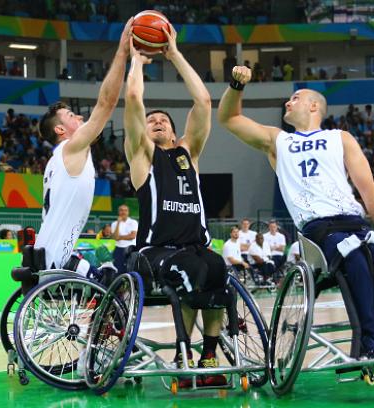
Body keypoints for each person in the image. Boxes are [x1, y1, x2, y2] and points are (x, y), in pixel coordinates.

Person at [218, 66, 374, 358]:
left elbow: (368, 187)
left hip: (353, 221)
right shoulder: (278, 140)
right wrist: (236, 85)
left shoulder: (340, 138)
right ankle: (368, 341)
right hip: (318, 229)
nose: (287, 102)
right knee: (354, 258)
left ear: (314, 105)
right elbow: (228, 118)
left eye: (295, 98)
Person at [124, 23, 227, 387]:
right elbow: (134, 101)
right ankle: (183, 357)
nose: (155, 122)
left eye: (162, 120)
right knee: (191, 276)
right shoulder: (141, 154)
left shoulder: (189, 152)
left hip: (197, 247)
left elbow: (203, 102)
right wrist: (136, 61)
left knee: (218, 272)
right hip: (156, 252)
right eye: (151, 120)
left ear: (173, 131)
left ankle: (209, 354)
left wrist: (174, 55)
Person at [34, 18, 132, 271]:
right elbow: (106, 103)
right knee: (113, 279)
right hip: (59, 258)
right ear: (60, 130)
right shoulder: (71, 147)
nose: (79, 117)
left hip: (46, 251)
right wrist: (122, 52)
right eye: (70, 116)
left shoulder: (56, 160)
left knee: (104, 267)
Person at [111, 204, 138, 273]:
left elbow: (132, 236)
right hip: (118, 249)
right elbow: (115, 237)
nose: (123, 212)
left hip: (130, 249)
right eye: (121, 210)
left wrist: (119, 237)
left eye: (125, 210)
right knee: (118, 270)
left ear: (128, 212)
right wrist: (118, 223)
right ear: (118, 212)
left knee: (130, 269)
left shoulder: (133, 222)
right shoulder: (114, 224)